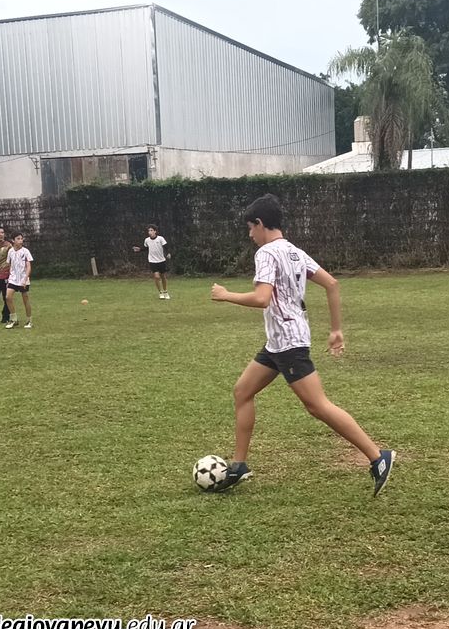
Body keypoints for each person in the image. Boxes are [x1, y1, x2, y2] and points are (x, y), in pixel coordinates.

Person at [210, 194, 395, 496]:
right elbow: (332, 284)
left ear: (260, 223)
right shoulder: (295, 252)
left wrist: (225, 295)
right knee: (242, 391)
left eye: (250, 228)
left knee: (317, 405)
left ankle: (378, 457)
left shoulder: (266, 253)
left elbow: (262, 298)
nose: (250, 234)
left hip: (288, 344)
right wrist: (336, 330)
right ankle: (239, 465)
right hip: (278, 342)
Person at [132, 225, 171, 299]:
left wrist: (168, 253)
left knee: (163, 276)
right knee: (156, 277)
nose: (149, 232)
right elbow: (146, 248)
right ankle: (160, 292)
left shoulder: (160, 238)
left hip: (161, 260)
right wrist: (139, 249)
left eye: (151, 230)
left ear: (155, 231)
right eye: (149, 231)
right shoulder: (147, 240)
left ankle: (165, 291)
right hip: (152, 261)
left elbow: (166, 246)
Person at [4, 232, 34, 329]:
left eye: (21, 238)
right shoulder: (10, 251)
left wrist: (25, 279)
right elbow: (9, 265)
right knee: (8, 297)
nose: (21, 240)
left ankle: (29, 320)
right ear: (13, 240)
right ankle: (14, 319)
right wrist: (9, 277)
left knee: (25, 299)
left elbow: (28, 266)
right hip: (13, 279)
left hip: (23, 279)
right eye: (18, 239)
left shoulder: (25, 251)